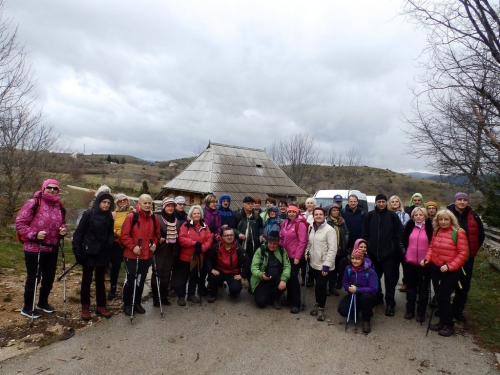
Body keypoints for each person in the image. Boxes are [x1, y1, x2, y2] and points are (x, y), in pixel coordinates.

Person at [15, 179, 67, 318]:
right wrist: (34, 234)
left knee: (49, 278)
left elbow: (62, 223)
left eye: (55, 188)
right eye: (49, 187)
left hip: (52, 248)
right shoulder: (33, 203)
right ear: (43, 188)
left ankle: (42, 303)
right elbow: (20, 224)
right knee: (34, 278)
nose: (52, 190)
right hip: (34, 248)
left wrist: (63, 230)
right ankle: (27, 307)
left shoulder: (59, 205)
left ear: (58, 190)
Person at [421, 209, 468, 337]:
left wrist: (450, 266)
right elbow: (431, 248)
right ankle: (442, 321)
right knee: (439, 296)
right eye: (440, 219)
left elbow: (463, 254)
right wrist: (427, 259)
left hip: (450, 271)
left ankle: (449, 324)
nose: (443, 222)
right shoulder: (436, 231)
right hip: (436, 268)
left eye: (446, 219)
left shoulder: (458, 233)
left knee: (444, 296)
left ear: (451, 220)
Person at [72, 192, 115, 320]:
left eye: (108, 203)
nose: (106, 205)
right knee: (86, 280)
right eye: (104, 202)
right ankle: (85, 306)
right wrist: (78, 253)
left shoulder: (108, 217)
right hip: (88, 252)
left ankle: (101, 306)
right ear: (98, 202)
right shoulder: (88, 214)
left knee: (100, 281)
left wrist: (109, 243)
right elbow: (78, 234)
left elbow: (110, 233)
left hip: (102, 253)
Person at [363, 193, 403, 317]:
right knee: (375, 278)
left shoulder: (392, 216)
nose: (381, 204)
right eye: (379, 201)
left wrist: (394, 249)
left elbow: (399, 235)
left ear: (386, 203)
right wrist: (366, 249)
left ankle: (390, 303)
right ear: (375, 203)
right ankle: (378, 296)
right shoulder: (370, 216)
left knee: (390, 279)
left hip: (389, 255)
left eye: (383, 202)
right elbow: (364, 234)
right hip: (373, 254)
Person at [120, 194, 161, 316]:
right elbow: (124, 235)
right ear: (139, 204)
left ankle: (137, 302)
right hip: (131, 255)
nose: (147, 205)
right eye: (145, 203)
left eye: (149, 203)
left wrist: (154, 244)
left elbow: (157, 234)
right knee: (131, 279)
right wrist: (133, 246)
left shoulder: (154, 218)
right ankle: (127, 303)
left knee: (141, 279)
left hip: (146, 255)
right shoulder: (132, 217)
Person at [447, 192, 485, 322]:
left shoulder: (473, 215)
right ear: (455, 201)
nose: (462, 202)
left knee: (464, 284)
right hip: (449, 255)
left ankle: (458, 310)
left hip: (467, 257)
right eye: (459, 199)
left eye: (465, 200)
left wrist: (472, 251)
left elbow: (480, 235)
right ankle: (444, 309)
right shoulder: (447, 214)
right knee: (447, 283)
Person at [172, 205, 213, 306]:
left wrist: (202, 248)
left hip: (198, 256)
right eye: (194, 213)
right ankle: (181, 296)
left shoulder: (205, 226)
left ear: (201, 215)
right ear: (191, 215)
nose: (196, 215)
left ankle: (191, 294)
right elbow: (181, 239)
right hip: (186, 257)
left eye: (198, 213)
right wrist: (194, 243)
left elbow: (209, 239)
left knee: (194, 276)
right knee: (183, 277)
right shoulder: (185, 225)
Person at [305, 207, 337, 321]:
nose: (318, 216)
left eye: (320, 214)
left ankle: (321, 308)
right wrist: (306, 253)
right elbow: (309, 243)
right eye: (316, 214)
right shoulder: (311, 227)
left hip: (324, 264)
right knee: (317, 286)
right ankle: (317, 303)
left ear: (324, 216)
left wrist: (326, 265)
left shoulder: (329, 230)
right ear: (313, 216)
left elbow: (333, 249)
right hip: (314, 262)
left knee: (321, 286)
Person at [401, 207, 433, 322]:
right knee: (411, 288)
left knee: (423, 289)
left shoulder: (430, 228)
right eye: (416, 215)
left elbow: (433, 245)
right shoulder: (409, 227)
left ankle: (421, 312)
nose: (418, 217)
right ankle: (410, 310)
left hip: (425, 264)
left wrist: (428, 259)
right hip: (410, 263)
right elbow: (402, 241)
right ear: (413, 216)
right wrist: (405, 254)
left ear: (425, 216)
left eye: (421, 215)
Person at [338, 248, 378, 334]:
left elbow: (372, 288)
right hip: (352, 294)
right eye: (353, 258)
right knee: (342, 310)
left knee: (365, 298)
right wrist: (349, 288)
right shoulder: (348, 269)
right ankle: (356, 310)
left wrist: (358, 289)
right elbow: (344, 282)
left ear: (362, 259)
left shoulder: (369, 271)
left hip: (367, 296)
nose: (354, 261)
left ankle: (366, 320)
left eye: (357, 258)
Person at [205, 228, 250, 302]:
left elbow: (246, 261)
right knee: (212, 277)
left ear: (234, 236)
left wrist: (242, 275)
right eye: (227, 235)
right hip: (220, 270)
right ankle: (213, 293)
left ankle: (233, 292)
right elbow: (208, 257)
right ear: (222, 237)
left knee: (236, 289)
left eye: (231, 235)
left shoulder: (239, 248)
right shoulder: (217, 246)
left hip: (233, 272)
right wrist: (211, 269)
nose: (229, 237)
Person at [250, 229, 291, 309]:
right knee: (261, 303)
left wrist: (284, 279)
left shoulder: (282, 250)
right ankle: (266, 293)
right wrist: (261, 275)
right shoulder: (260, 250)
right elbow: (253, 267)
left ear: (278, 243)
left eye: (275, 244)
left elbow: (287, 266)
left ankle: (274, 298)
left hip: (277, 277)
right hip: (263, 278)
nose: (272, 245)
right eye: (270, 243)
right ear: (267, 242)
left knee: (288, 278)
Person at [279, 205, 308, 313]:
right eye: (289, 212)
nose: (291, 213)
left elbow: (302, 242)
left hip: (294, 256)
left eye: (293, 212)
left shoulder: (300, 225)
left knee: (294, 278)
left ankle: (296, 303)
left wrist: (297, 257)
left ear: (297, 213)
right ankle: (289, 299)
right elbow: (281, 236)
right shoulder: (285, 223)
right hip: (285, 255)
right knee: (289, 277)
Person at [152, 197, 180, 307]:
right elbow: (152, 233)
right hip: (160, 250)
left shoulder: (176, 221)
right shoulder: (158, 219)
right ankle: (155, 298)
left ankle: (163, 296)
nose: (170, 208)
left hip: (171, 251)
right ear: (164, 207)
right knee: (157, 273)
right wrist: (158, 239)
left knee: (166, 274)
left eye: (172, 206)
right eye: (168, 206)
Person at [108, 193, 133, 300]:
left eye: (125, 200)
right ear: (116, 203)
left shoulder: (133, 213)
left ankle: (129, 287)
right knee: (115, 266)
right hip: (116, 243)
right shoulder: (113, 214)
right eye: (120, 200)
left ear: (128, 201)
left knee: (130, 266)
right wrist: (114, 232)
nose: (123, 202)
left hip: (129, 243)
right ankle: (113, 288)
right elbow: (109, 226)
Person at [388, 195, 410, 293]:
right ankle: (392, 283)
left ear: (399, 203)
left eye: (397, 201)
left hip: (402, 243)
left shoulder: (404, 215)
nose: (395, 203)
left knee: (405, 265)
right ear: (390, 203)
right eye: (393, 201)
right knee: (393, 266)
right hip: (390, 243)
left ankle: (406, 283)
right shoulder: (387, 214)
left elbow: (407, 229)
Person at [325, 204, 349, 295]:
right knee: (328, 268)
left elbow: (346, 232)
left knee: (336, 269)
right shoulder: (327, 222)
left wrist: (344, 243)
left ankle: (332, 286)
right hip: (330, 249)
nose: (335, 212)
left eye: (337, 210)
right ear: (330, 212)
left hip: (340, 249)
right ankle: (327, 287)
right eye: (333, 210)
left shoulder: (342, 221)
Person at [234, 196, 263, 261]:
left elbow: (261, 226)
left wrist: (261, 234)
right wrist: (238, 234)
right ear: (243, 204)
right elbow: (232, 228)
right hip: (241, 243)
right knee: (242, 261)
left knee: (253, 261)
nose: (250, 205)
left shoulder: (256, 215)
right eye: (248, 204)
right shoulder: (238, 215)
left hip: (254, 244)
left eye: (252, 204)